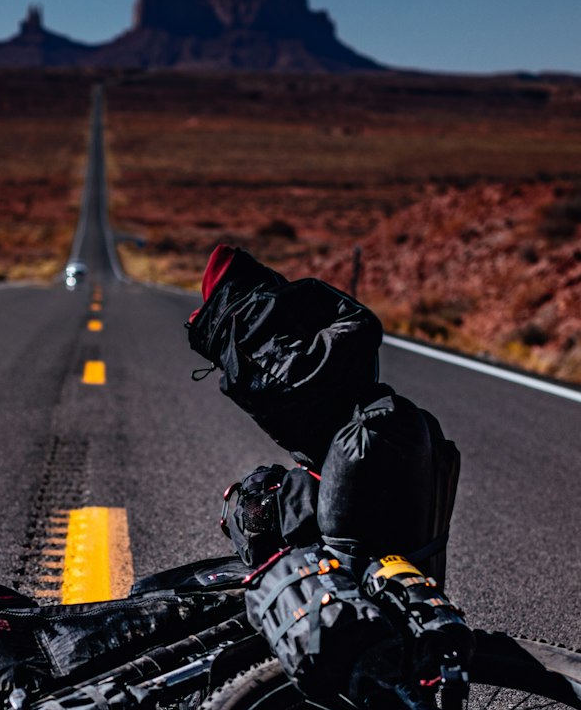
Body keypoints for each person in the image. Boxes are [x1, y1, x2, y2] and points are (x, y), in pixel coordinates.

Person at [186, 243, 458, 582]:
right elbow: (361, 325)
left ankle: (241, 321)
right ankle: (241, 319)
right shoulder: (404, 425)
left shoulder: (356, 443)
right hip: (399, 585)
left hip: (354, 602)